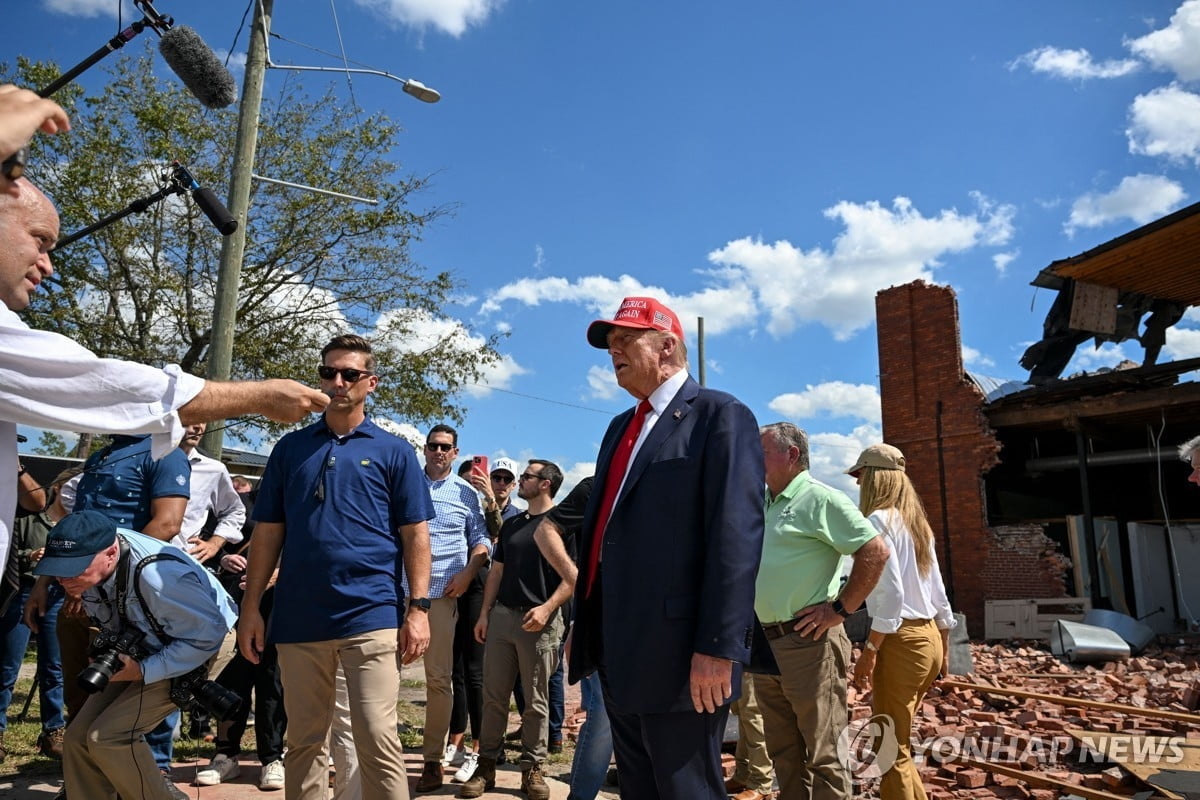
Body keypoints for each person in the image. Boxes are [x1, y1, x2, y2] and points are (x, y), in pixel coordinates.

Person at [0, 163, 329, 582]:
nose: (47, 265)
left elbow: (174, 522)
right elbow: (99, 385)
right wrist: (263, 396)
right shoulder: (107, 456)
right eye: (40, 240)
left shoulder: (192, 466)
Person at [569, 296, 767, 800]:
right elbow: (605, 537)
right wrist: (586, 622)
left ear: (667, 346)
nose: (613, 352)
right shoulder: (621, 428)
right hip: (620, 647)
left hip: (684, 657)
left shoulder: (719, 415)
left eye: (623, 340)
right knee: (638, 788)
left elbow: (735, 537)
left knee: (687, 788)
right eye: (609, 344)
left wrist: (719, 648)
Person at [238, 333, 434, 800]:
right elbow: (267, 534)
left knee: (377, 738)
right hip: (299, 617)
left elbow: (415, 535)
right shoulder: (290, 449)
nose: (338, 381)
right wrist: (251, 608)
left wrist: (419, 608)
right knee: (303, 742)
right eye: (329, 373)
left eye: (350, 373)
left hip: (370, 612)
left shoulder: (394, 451)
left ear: (372, 383)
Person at [29, 510, 237, 800]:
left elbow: (207, 634)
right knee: (78, 738)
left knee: (110, 736)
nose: (64, 580)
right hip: (150, 638)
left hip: (199, 644)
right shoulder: (92, 570)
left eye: (74, 568)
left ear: (111, 552)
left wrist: (143, 670)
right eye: (59, 569)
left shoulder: (159, 577)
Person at [753, 423, 890, 800]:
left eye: (760, 452)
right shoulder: (763, 501)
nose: (752, 460)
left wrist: (840, 610)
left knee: (824, 752)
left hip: (808, 643)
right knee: (783, 750)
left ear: (791, 455)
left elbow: (875, 551)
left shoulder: (820, 499)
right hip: (766, 644)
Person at [847, 443, 955, 800]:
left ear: (875, 478)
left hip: (902, 642)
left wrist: (870, 649)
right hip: (928, 641)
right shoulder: (917, 524)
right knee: (900, 745)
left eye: (861, 475)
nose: (858, 483)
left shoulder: (876, 522)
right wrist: (945, 646)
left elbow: (890, 596)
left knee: (890, 748)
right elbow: (939, 592)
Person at [459, 459, 569, 800]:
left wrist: (548, 607)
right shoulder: (513, 525)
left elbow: (573, 577)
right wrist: (485, 614)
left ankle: (533, 769)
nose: (520, 481)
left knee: (535, 701)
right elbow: (496, 571)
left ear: (546, 483)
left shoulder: (564, 524)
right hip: (504, 618)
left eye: (527, 477)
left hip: (542, 621)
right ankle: (486, 766)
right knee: (493, 696)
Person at [412, 424, 490, 792]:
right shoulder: (406, 483)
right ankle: (365, 756)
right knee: (372, 676)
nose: (439, 452)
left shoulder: (466, 494)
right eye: (433, 446)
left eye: (446, 447)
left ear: (456, 452)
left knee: (440, 680)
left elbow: (481, 539)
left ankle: (431, 761)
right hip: (396, 593)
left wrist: (470, 571)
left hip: (441, 595)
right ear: (424, 449)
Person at [532, 476, 612, 800]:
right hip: (600, 625)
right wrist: (582, 590)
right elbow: (546, 531)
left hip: (654, 626)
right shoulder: (597, 487)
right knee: (603, 718)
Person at [450, 456, 522, 782]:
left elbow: (506, 544)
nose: (501, 483)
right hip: (464, 592)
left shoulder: (517, 516)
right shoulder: (474, 508)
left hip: (495, 601)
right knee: (459, 672)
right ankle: (458, 740)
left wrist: (492, 504)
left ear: (514, 484)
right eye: (496, 477)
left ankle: (486, 750)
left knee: (484, 677)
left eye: (507, 479)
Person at [0, 467, 77, 762]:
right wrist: (30, 555)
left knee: (53, 667)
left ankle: (53, 731)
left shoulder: (75, 524)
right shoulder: (29, 517)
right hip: (24, 591)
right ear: (59, 488)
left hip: (58, 594)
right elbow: (9, 552)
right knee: (8, 666)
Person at [175, 421, 246, 563]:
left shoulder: (214, 470)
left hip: (184, 563)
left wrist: (215, 543)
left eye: (204, 420)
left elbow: (235, 511)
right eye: (192, 417)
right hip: (136, 559)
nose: (198, 426)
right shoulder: (144, 459)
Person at [725, 674, 775, 800]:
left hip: (754, 660)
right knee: (743, 713)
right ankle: (743, 775)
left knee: (753, 715)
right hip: (740, 662)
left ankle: (761, 783)